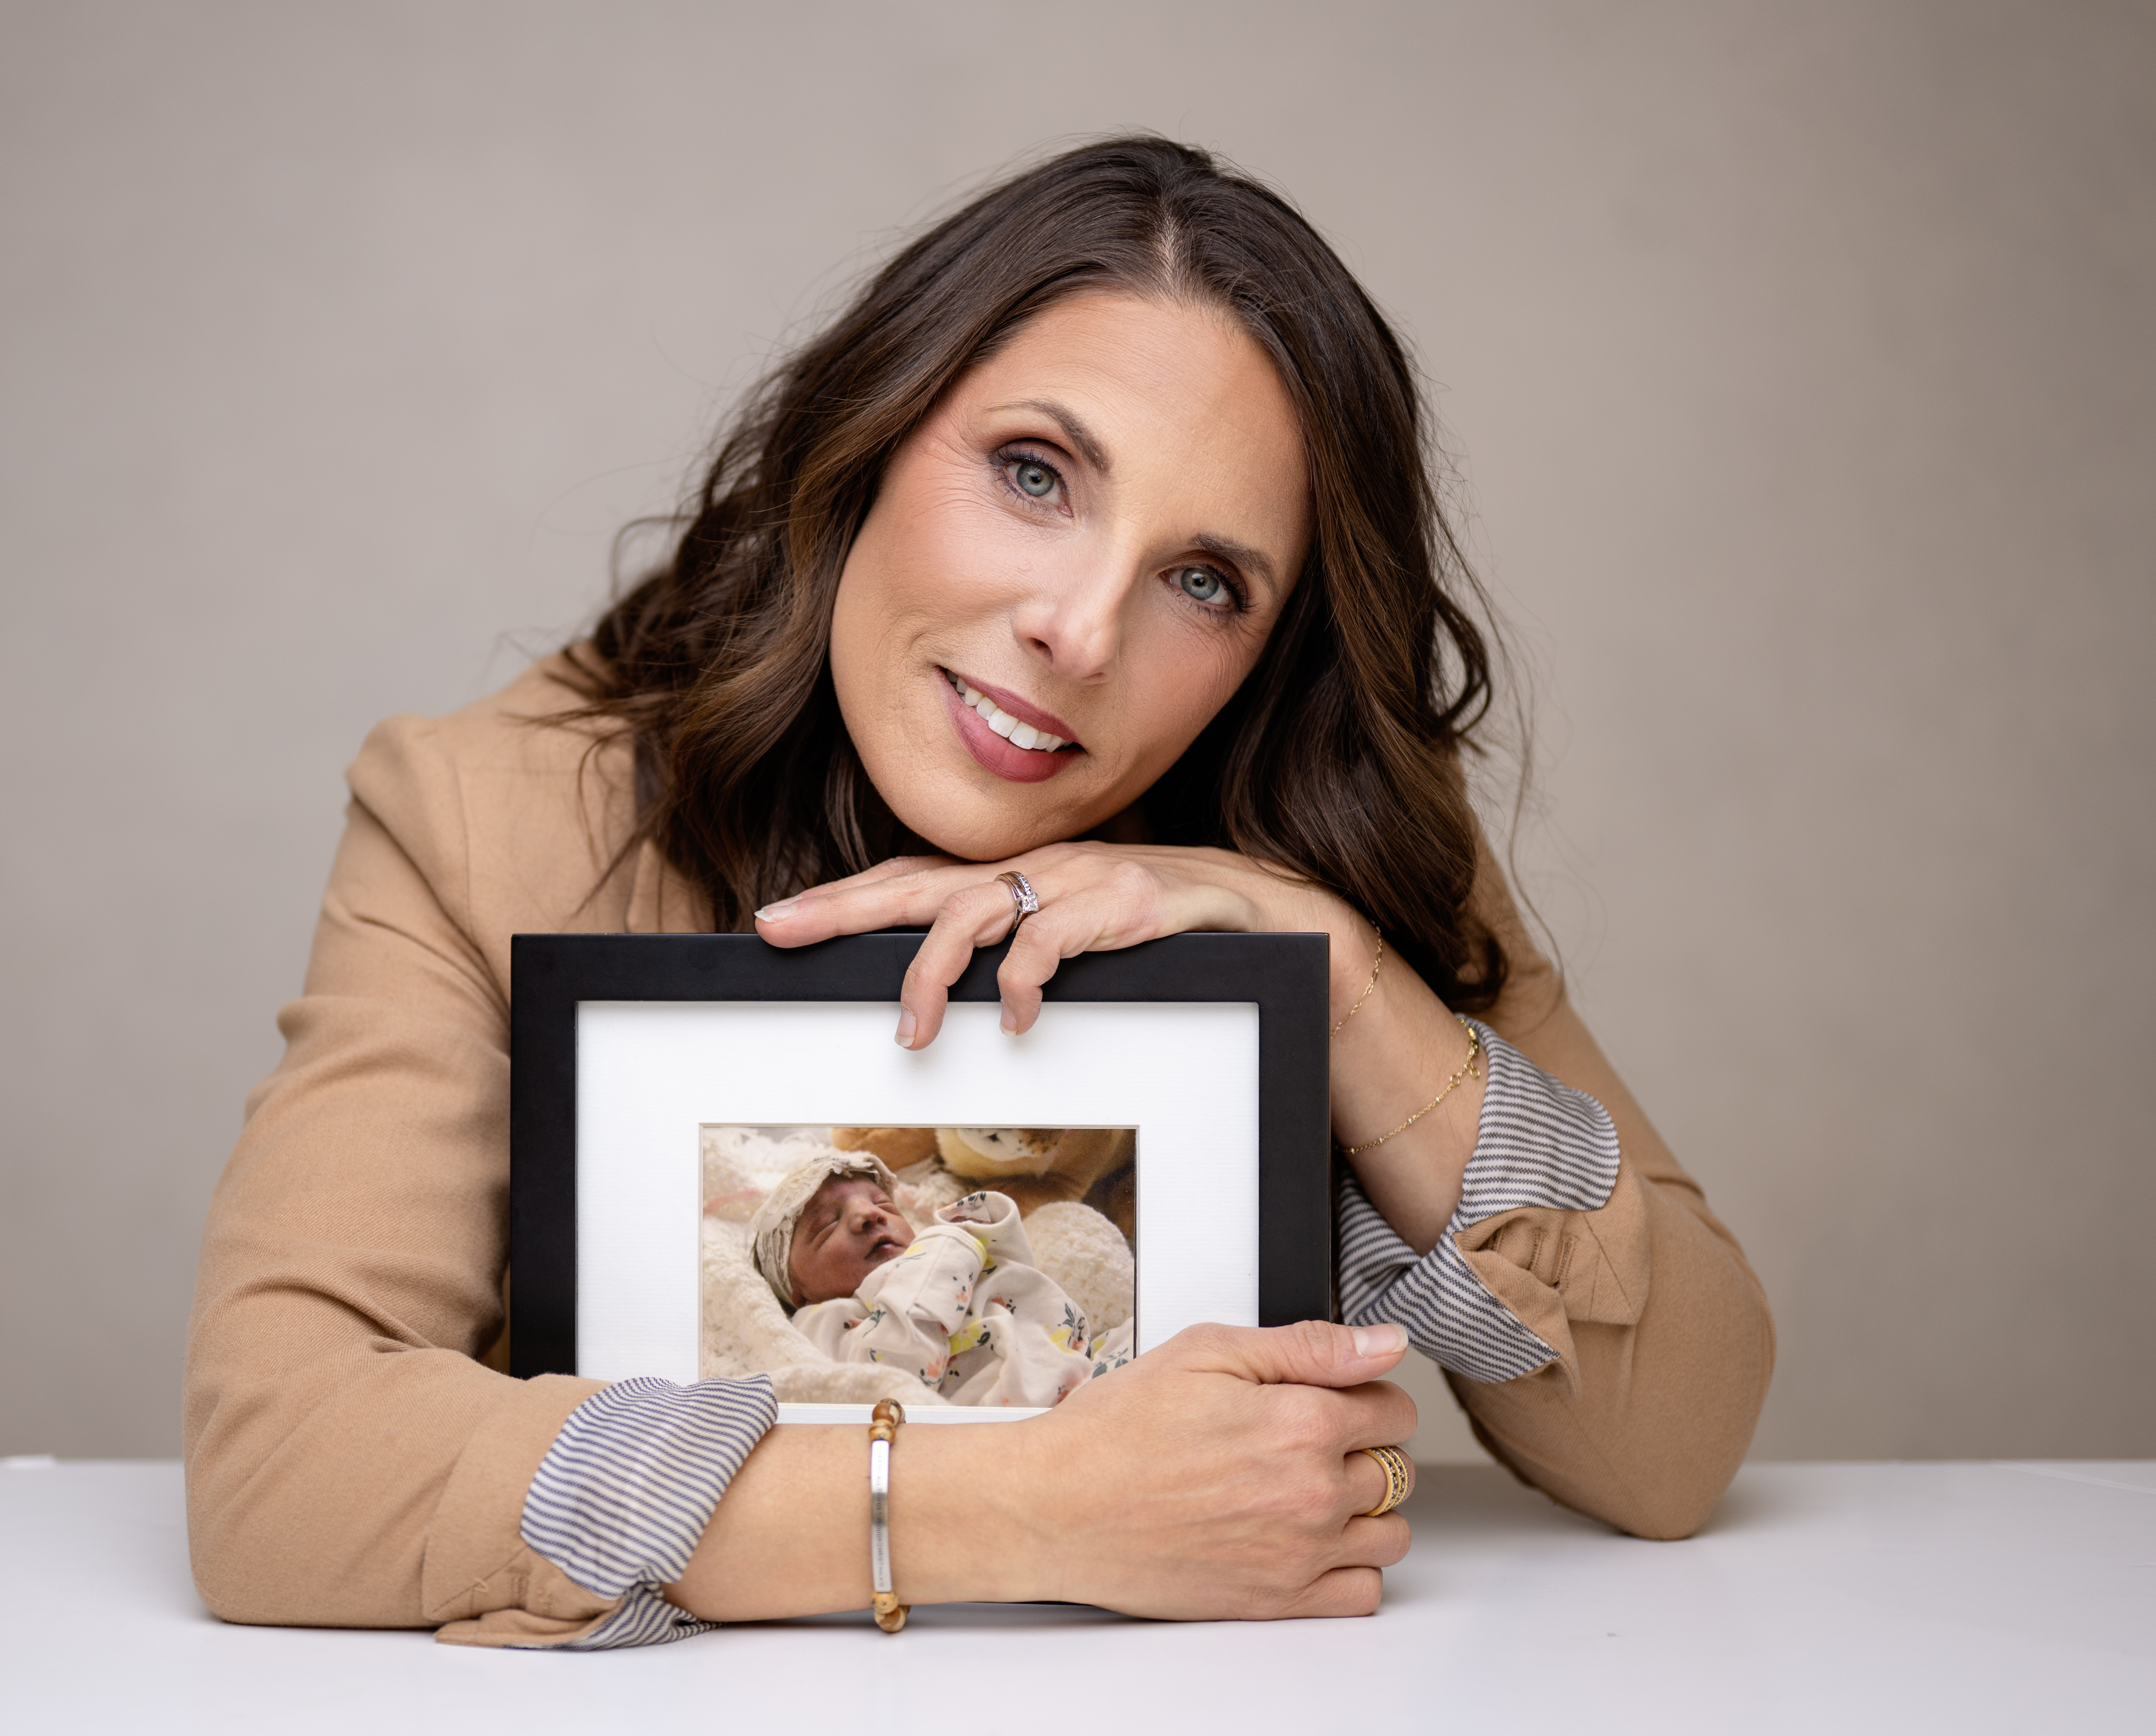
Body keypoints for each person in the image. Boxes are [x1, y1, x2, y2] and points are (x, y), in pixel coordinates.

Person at [183, 136, 1774, 1649]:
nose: (1079, 628)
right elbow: (279, 1457)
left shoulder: (1305, 848)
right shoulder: (487, 808)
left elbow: (1672, 1440)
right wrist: (1019, 1502)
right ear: (871, 431)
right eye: (1031, 472)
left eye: (1203, 579)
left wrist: (1336, 975)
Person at [752, 1153, 1133, 1405]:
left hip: (1088, 1363)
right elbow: (895, 1372)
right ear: (799, 1293)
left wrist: (982, 1231)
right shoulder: (824, 1319)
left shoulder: (941, 1255)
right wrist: (945, 1247)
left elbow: (1018, 1282)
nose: (867, 1215)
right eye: (827, 1224)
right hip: (1024, 1414)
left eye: (883, 1203)